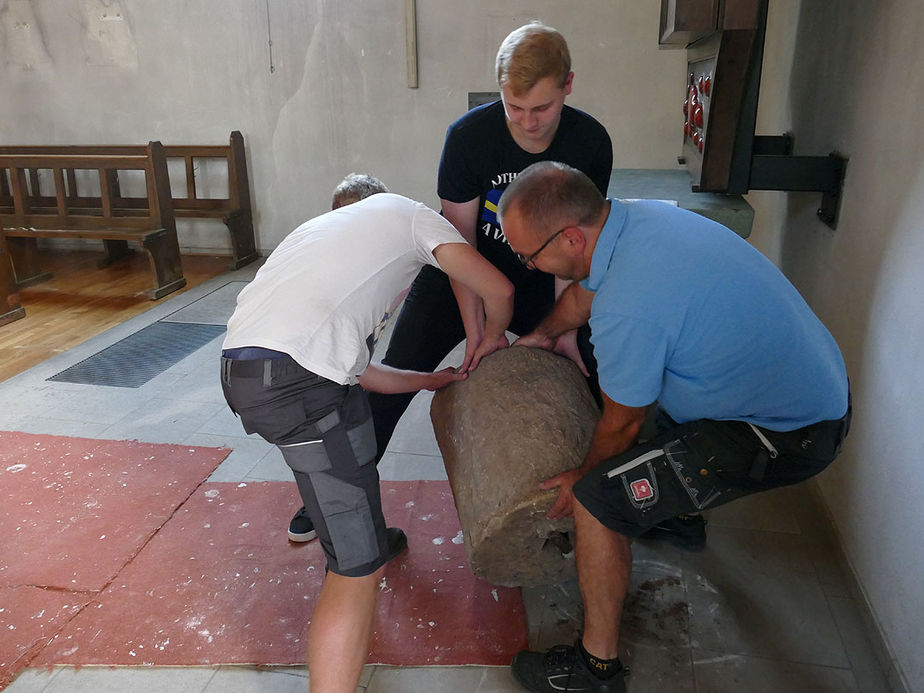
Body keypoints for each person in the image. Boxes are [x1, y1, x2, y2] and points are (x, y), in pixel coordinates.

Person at [496, 162, 851, 693]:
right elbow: (581, 298)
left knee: (599, 499)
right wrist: (543, 336)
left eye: (530, 254)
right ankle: (679, 518)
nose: (527, 264)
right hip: (805, 389)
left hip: (783, 433)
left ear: (571, 236)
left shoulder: (631, 306)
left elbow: (622, 424)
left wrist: (582, 483)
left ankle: (596, 671)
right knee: (664, 394)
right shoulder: (638, 222)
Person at [220, 184, 514, 693]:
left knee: (348, 440)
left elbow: (360, 375)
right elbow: (498, 289)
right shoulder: (415, 215)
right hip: (298, 383)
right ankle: (359, 557)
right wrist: (490, 336)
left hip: (243, 372)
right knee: (356, 571)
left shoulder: (321, 245)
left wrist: (427, 380)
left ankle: (365, 533)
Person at [366, 20, 613, 476]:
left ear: (568, 86)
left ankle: (621, 487)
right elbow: (458, 242)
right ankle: (343, 491)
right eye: (513, 107)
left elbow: (573, 251)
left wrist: (567, 327)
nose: (527, 122)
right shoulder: (468, 138)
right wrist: (478, 330)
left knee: (607, 368)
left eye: (542, 107)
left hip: (546, 278)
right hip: (463, 270)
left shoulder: (590, 142)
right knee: (397, 372)